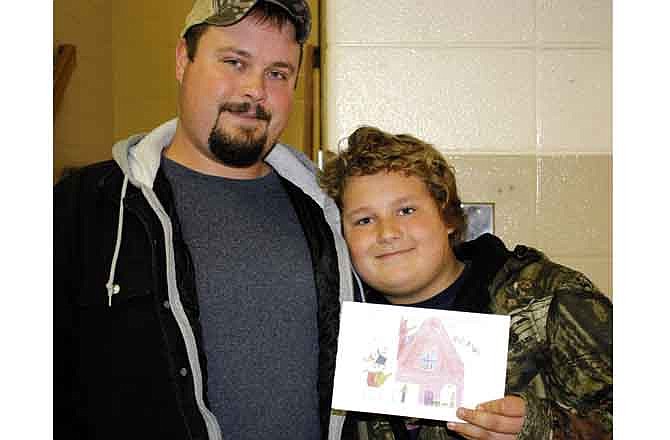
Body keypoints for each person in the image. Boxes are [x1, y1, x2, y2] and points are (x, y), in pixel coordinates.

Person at [53, 1, 354, 439]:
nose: (255, 90)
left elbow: (427, 294)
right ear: (183, 60)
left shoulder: (332, 211)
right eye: (234, 62)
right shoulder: (85, 208)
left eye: (278, 73)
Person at [318, 126, 613, 440]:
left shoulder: (553, 301)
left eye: (406, 210)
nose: (387, 232)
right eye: (364, 220)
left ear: (447, 218)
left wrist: (544, 429)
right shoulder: (341, 334)